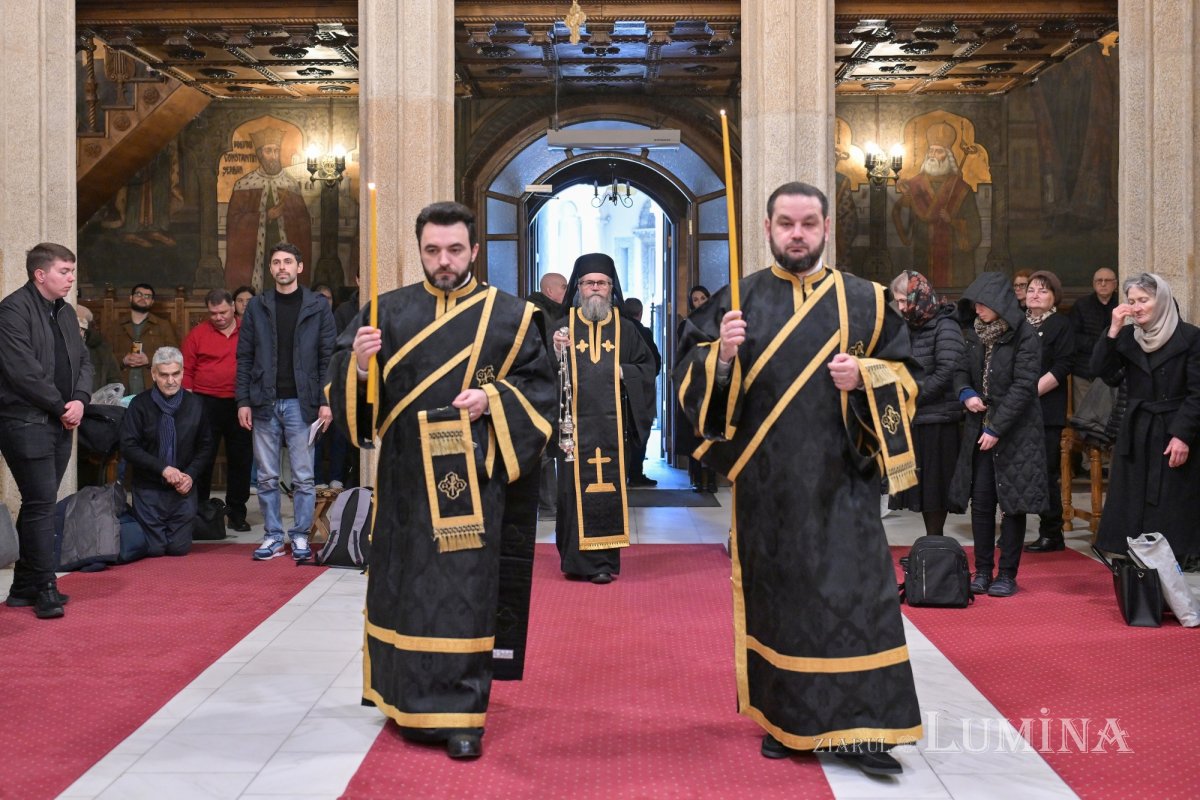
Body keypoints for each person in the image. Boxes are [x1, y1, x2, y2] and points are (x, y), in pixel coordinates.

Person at [677, 182, 922, 775]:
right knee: (782, 604)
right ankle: (785, 720)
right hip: (771, 488)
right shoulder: (738, 300)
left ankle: (864, 728)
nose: (797, 234)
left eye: (808, 223)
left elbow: (908, 379)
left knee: (856, 603)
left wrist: (865, 377)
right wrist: (723, 358)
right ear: (766, 228)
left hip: (845, 483)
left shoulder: (867, 301)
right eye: (785, 223)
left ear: (826, 227)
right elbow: (690, 390)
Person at [327, 201, 555, 760]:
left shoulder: (512, 316)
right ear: (419, 250)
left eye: (455, 250)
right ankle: (400, 696)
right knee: (406, 589)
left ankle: (460, 714)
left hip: (471, 480)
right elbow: (355, 406)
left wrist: (493, 398)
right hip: (405, 483)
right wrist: (358, 366)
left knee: (461, 596)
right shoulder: (387, 312)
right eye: (433, 250)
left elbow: (542, 392)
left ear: (474, 251)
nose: (444, 261)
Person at [551, 253, 656, 584]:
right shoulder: (561, 329)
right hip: (574, 434)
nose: (595, 289)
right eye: (589, 283)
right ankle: (575, 561)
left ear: (612, 288)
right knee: (571, 495)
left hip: (613, 430)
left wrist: (623, 373)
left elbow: (648, 367)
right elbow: (536, 372)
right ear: (578, 288)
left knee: (609, 490)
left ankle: (603, 563)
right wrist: (555, 353)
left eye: (602, 283)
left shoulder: (626, 329)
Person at [0, 243, 92, 619]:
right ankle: (45, 585)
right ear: (40, 274)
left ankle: (23, 586)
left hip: (60, 420)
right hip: (24, 421)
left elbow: (83, 359)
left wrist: (81, 400)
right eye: (64, 271)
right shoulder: (12, 311)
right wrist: (60, 406)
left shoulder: (67, 313)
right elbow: (21, 372)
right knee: (40, 503)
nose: (71, 278)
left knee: (40, 503)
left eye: (72, 271)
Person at [1092, 273, 1200, 569]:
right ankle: (1136, 572)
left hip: (1172, 431)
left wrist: (1182, 435)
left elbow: (1197, 393)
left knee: (1168, 507)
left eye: (1143, 300)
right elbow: (1103, 371)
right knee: (1132, 502)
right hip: (1137, 431)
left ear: (1161, 300)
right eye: (1131, 301)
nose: (1136, 307)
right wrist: (1113, 329)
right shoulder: (1128, 337)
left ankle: (1169, 572)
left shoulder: (1190, 337)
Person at [948, 272, 1046, 597]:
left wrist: (996, 427)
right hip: (981, 429)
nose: (977, 309)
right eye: (975, 303)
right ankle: (983, 571)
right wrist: (965, 392)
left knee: (1013, 504)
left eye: (983, 303)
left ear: (1000, 304)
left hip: (1015, 431)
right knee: (983, 502)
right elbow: (960, 368)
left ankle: (1007, 574)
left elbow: (1023, 387)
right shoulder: (974, 334)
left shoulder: (1025, 336)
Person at [236, 242, 336, 562]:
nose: (282, 267)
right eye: (276, 262)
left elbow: (328, 357)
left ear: (299, 267)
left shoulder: (317, 305)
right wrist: (243, 401)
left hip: (302, 403)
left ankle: (301, 536)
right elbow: (245, 357)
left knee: (303, 477)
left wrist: (326, 400)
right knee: (266, 476)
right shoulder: (258, 306)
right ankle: (273, 536)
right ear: (271, 269)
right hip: (264, 400)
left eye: (288, 262)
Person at [887, 271, 964, 536]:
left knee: (935, 488)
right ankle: (929, 547)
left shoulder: (946, 325)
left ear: (918, 297)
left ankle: (934, 543)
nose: (900, 307)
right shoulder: (910, 325)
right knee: (922, 488)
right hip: (917, 417)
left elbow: (947, 371)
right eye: (897, 302)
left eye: (903, 301)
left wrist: (912, 395)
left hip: (939, 420)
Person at [119, 347, 214, 556]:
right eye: (164, 375)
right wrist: (163, 469)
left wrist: (191, 475)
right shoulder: (139, 404)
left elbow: (206, 446)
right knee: (154, 550)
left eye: (175, 374)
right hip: (149, 488)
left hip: (183, 488)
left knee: (178, 549)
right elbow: (128, 446)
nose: (171, 381)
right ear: (153, 374)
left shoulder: (196, 404)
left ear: (182, 373)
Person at [182, 289, 253, 532]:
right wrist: (189, 405)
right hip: (205, 403)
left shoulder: (248, 330)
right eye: (213, 313)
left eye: (223, 312)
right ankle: (201, 511)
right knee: (203, 457)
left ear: (233, 307)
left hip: (240, 403)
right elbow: (187, 371)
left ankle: (237, 513)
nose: (219, 317)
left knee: (240, 459)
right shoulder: (198, 334)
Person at [891, 122, 982, 287]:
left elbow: (973, 224)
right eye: (931, 150)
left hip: (954, 257)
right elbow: (899, 213)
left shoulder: (961, 189)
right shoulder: (915, 184)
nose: (933, 154)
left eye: (939, 151)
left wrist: (953, 221)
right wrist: (906, 199)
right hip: (924, 252)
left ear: (948, 156)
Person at [1023, 271, 1075, 553]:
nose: (1035, 294)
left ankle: (1051, 532)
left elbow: (1063, 364)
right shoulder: (1017, 323)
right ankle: (1014, 527)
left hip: (1046, 409)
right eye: (1031, 289)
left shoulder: (1060, 325)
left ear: (1054, 296)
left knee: (1044, 471)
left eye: (1043, 290)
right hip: (1018, 410)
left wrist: (1028, 393)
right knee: (1018, 469)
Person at [225, 127, 313, 294]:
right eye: (268, 151)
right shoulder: (244, 184)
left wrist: (289, 218)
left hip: (283, 253)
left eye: (276, 151)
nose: (273, 156)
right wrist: (265, 216)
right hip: (255, 256)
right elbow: (234, 222)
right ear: (259, 154)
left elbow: (303, 224)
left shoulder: (290, 184)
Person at [527, 272, 568, 516]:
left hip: (550, 389)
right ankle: (545, 503)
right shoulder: (537, 314)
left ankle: (550, 504)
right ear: (550, 291)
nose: (567, 291)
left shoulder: (553, 311)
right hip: (539, 390)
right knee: (541, 450)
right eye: (563, 287)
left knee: (550, 448)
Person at [674, 285, 718, 493]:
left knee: (711, 430)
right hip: (693, 380)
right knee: (694, 432)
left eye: (703, 298)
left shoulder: (718, 323)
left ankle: (712, 479)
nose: (700, 302)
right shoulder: (686, 326)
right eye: (696, 299)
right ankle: (697, 478)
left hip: (714, 379)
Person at [621, 296, 662, 487]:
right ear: (641, 313)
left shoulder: (617, 329)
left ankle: (621, 473)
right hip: (638, 393)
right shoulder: (643, 332)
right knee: (639, 431)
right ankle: (635, 473)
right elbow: (654, 362)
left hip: (617, 392)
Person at [112, 283, 179, 396]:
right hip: (122, 386)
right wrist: (123, 359)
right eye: (139, 294)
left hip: (152, 386)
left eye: (147, 296)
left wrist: (150, 359)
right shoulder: (116, 325)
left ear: (152, 301)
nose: (143, 298)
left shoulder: (163, 325)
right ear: (131, 298)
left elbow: (174, 354)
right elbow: (105, 355)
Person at [1068, 267, 1119, 411]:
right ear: (1093, 283)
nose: (1103, 284)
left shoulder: (1122, 304)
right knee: (1084, 414)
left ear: (1115, 284)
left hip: (1114, 370)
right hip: (1085, 369)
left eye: (1107, 280)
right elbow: (1074, 336)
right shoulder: (1081, 305)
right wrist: (1100, 345)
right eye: (1099, 280)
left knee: (1110, 414)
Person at [76, 305, 122, 391]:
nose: (77, 332)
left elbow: (115, 381)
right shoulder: (56, 347)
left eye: (81, 328)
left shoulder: (102, 351)